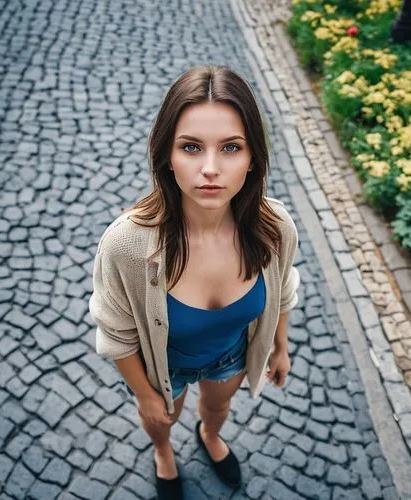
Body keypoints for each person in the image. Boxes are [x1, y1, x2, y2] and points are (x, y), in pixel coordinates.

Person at [89, 65, 300, 500]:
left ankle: (209, 434)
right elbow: (116, 333)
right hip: (165, 370)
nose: (210, 168)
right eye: (190, 147)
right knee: (160, 420)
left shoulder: (274, 226)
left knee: (218, 407)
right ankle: (164, 453)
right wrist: (145, 395)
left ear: (252, 158)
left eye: (230, 147)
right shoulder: (127, 243)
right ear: (167, 154)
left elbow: (283, 289)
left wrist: (280, 345)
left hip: (231, 359)